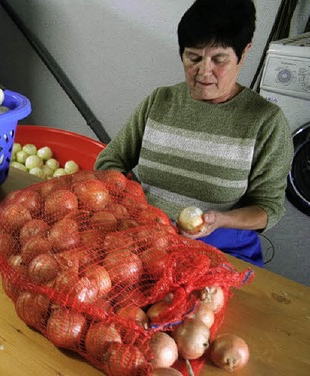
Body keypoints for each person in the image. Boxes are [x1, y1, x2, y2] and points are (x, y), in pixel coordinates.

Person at [95, 0, 294, 267]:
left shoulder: (265, 121)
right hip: (145, 243)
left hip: (220, 254)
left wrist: (219, 220)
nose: (204, 71)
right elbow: (110, 161)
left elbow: (268, 209)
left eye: (219, 59)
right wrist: (132, 204)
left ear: (244, 53)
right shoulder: (161, 101)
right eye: (194, 58)